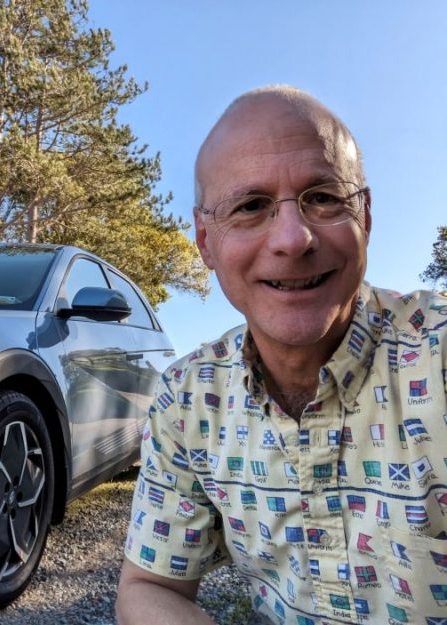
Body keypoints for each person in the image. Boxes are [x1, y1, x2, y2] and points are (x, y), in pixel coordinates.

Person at [116, 85, 447, 625]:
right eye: (250, 206)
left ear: (364, 215)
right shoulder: (189, 398)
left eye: (324, 196)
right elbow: (149, 587)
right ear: (204, 241)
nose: (293, 238)